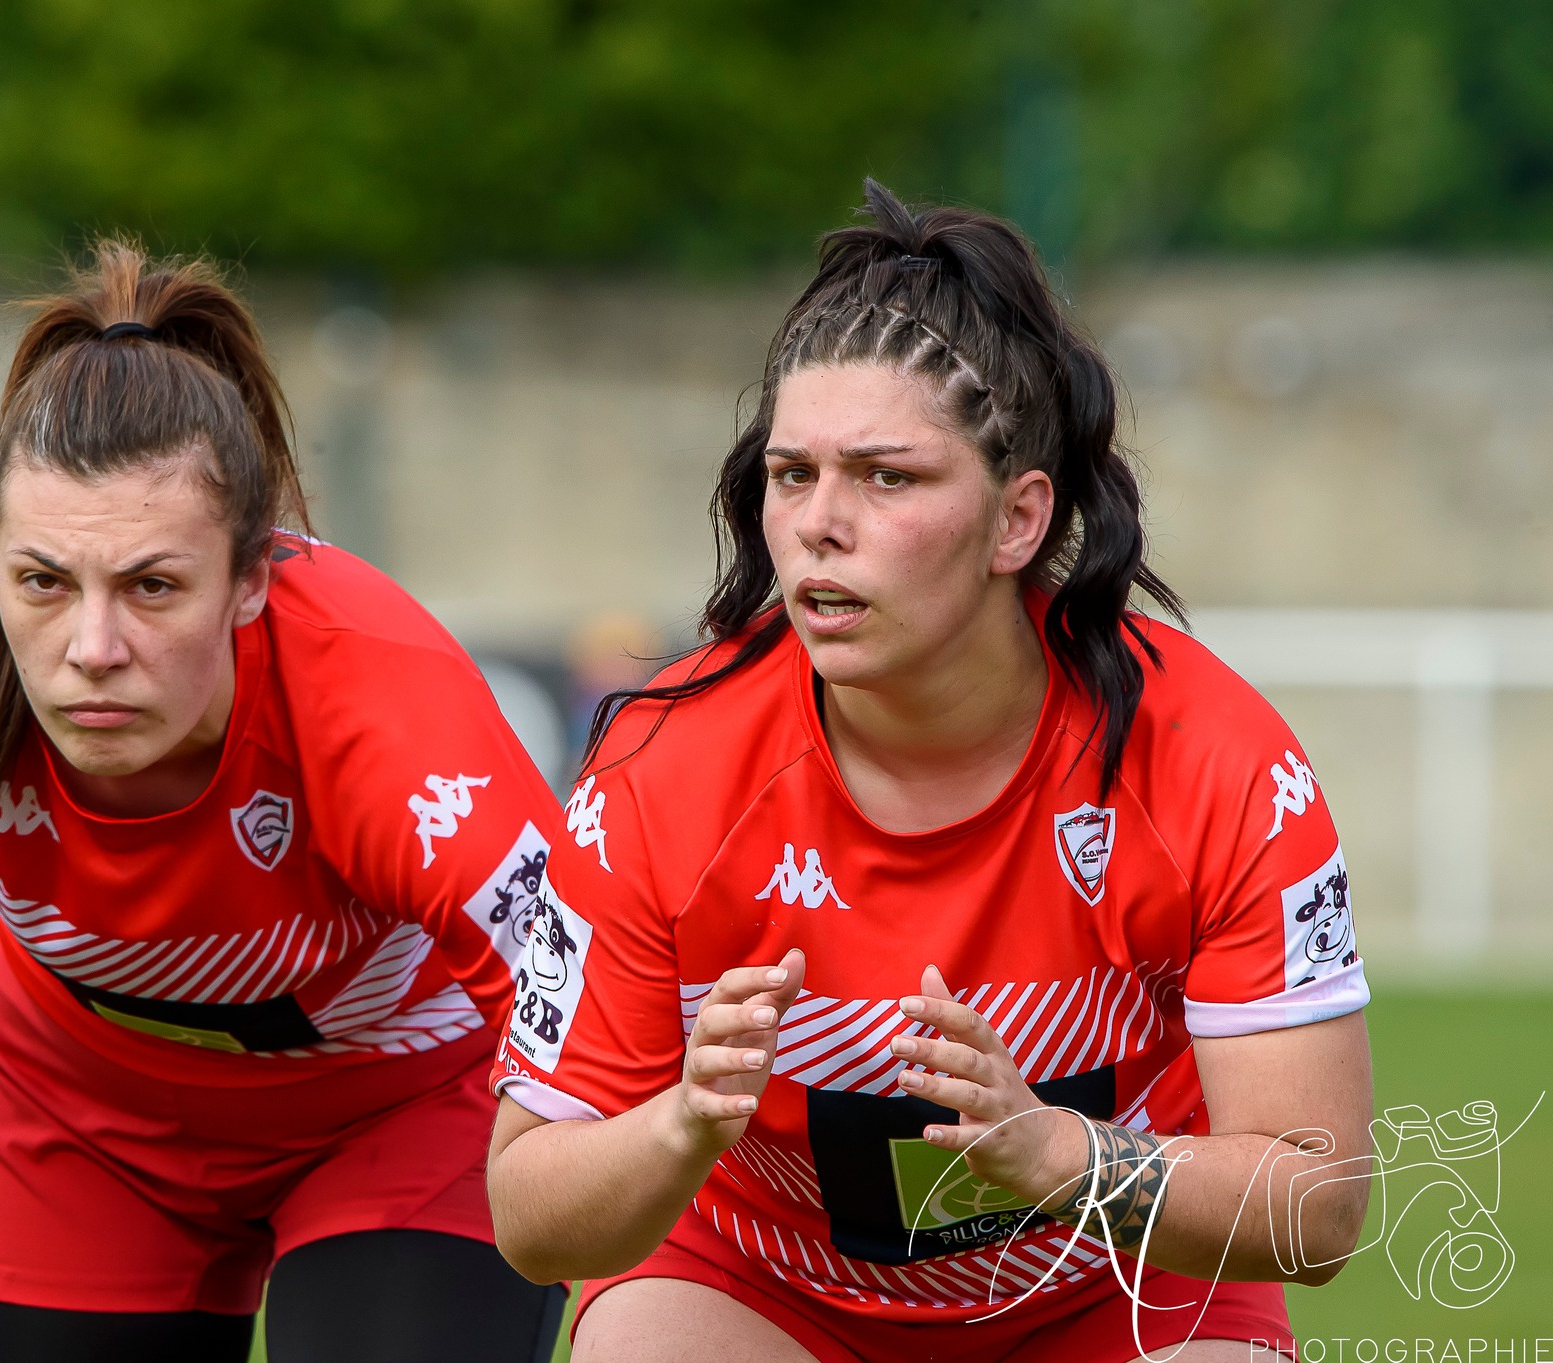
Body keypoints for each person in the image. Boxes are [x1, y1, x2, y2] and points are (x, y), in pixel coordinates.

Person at [485, 182, 1374, 1363]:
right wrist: (680, 1124)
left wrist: (1057, 1151)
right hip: (763, 1292)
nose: (817, 523)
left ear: (1017, 521)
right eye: (791, 474)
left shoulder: (1213, 759)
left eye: (885, 477)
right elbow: (526, 1214)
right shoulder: (660, 764)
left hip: (1114, 1294)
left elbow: (1318, 1205)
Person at [0, 241, 569, 1363]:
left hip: (402, 1109)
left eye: (153, 585)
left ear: (253, 575)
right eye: (42, 582)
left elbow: (595, 1027)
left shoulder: (385, 715)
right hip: (72, 1120)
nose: (90, 649)